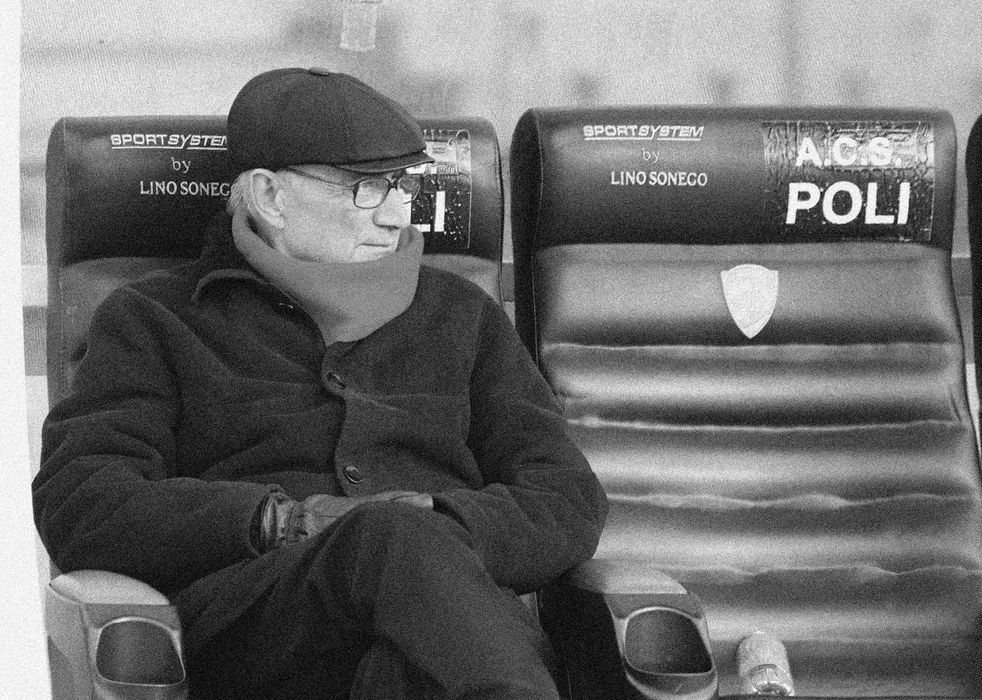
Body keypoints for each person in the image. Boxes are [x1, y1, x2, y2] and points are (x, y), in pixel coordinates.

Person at [33, 67, 608, 700]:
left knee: (408, 644)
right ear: (269, 197)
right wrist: (280, 521)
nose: (397, 215)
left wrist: (444, 522)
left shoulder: (462, 314)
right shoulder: (154, 317)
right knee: (389, 539)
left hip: (446, 632)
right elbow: (82, 500)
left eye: (403, 185)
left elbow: (567, 497)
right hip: (260, 629)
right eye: (367, 188)